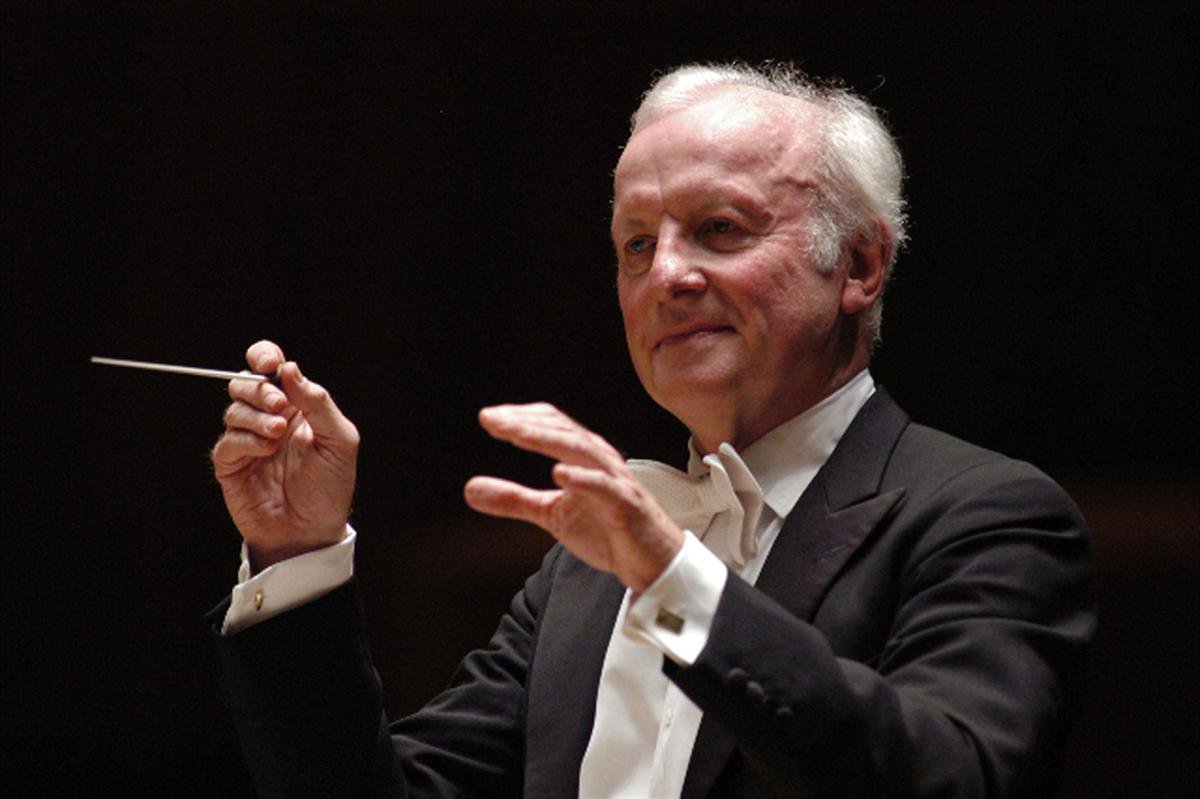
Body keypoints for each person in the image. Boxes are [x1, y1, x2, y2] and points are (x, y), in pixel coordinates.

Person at [209, 63, 1096, 798]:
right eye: (636, 244)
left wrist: (677, 580)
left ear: (859, 265)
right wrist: (297, 554)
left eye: (718, 229)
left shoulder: (989, 517)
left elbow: (953, 778)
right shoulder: (583, 573)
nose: (666, 273)